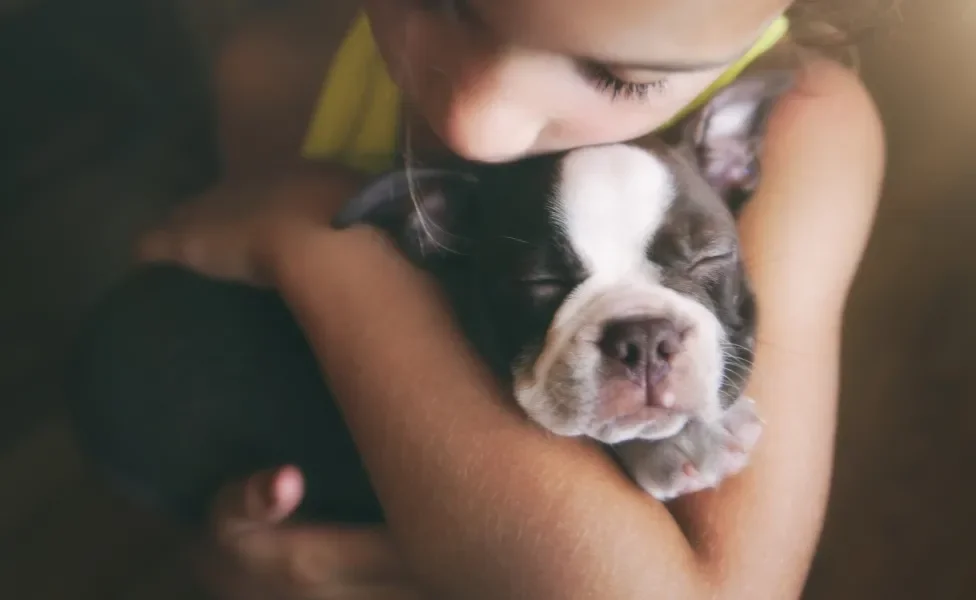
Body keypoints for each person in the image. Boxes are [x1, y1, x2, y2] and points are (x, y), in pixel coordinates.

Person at [67, 0, 886, 598]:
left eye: (621, 78)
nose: (476, 127)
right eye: (439, 1)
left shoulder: (801, 125)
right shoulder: (278, 74)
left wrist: (315, 239)